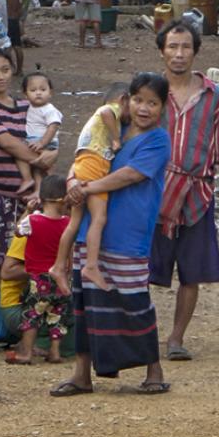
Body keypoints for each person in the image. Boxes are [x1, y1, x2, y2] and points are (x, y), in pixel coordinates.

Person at [50, 72, 171, 397]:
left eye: (153, 102)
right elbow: (85, 152)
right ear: (127, 100)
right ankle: (81, 375)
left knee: (134, 300)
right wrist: (74, 181)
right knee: (87, 303)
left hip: (129, 232)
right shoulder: (112, 128)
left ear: (162, 107)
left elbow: (129, 176)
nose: (144, 108)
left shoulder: (159, 140)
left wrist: (85, 187)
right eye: (139, 100)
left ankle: (154, 370)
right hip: (92, 229)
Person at [148, 20, 219, 361]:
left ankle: (176, 338)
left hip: (198, 195)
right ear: (162, 51)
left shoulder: (215, 95)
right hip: (153, 192)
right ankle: (144, 333)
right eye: (172, 47)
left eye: (185, 47)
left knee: (191, 270)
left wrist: (199, 178)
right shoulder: (150, 93)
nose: (179, 54)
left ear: (196, 51)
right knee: (143, 268)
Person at [0, 48, 56, 304]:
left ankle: (28, 315)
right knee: (0, 261)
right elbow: (9, 143)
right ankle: (1, 318)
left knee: (31, 257)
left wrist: (53, 151)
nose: (0, 77)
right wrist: (46, 159)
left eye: (5, 70)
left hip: (32, 197)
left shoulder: (27, 105)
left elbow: (48, 138)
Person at [49, 83, 129, 293]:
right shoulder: (113, 109)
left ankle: (58, 266)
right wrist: (115, 138)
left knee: (74, 221)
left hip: (83, 163)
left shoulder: (98, 119)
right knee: (99, 217)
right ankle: (91, 266)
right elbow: (106, 112)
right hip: (94, 164)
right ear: (123, 99)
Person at [5, 175, 70, 365]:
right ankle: (55, 352)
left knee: (32, 314)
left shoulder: (33, 221)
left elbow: (18, 230)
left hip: (39, 278)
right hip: (60, 279)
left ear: (41, 199)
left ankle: (26, 352)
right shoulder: (68, 223)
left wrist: (27, 210)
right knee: (56, 315)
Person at [16, 71, 62, 197]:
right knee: (37, 168)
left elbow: (53, 127)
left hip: (45, 142)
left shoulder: (49, 109)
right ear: (25, 94)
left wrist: (42, 143)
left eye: (43, 89)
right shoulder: (30, 107)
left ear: (50, 92)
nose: (38, 93)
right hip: (34, 140)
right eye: (33, 90)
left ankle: (29, 180)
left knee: (21, 154)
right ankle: (37, 190)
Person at [4, 0, 24, 76]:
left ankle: (11, 68)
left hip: (8, 19)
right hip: (15, 19)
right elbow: (20, 7)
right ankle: (18, 69)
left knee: (8, 46)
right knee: (17, 46)